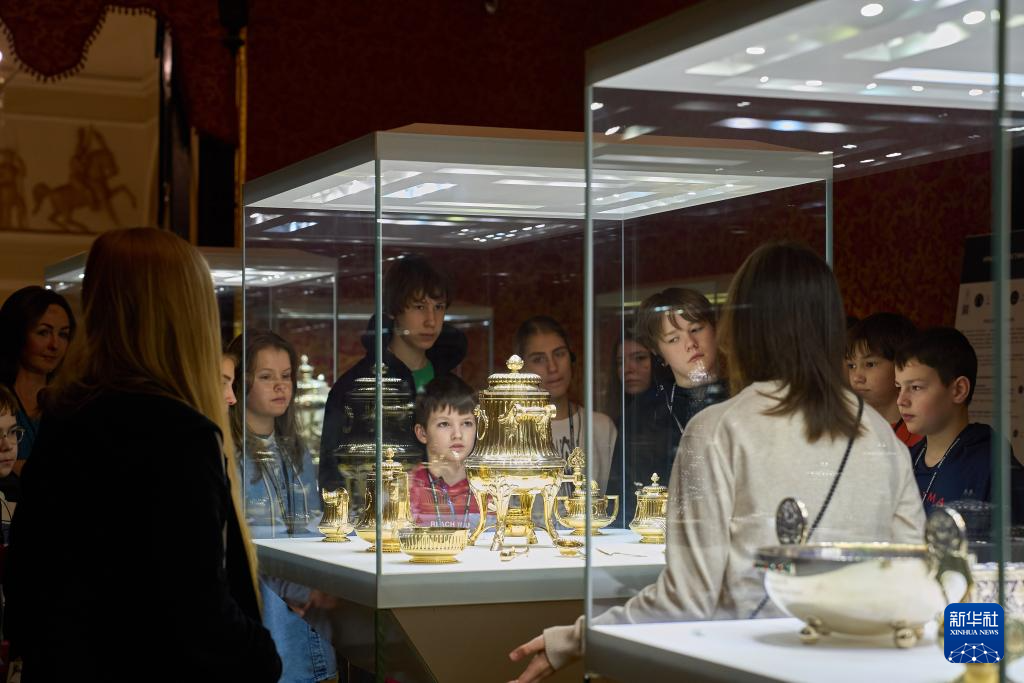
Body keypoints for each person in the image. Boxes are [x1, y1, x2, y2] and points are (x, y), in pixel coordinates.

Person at [507, 243, 925, 683]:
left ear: (741, 327)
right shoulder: (881, 436)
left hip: (753, 664)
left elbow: (686, 600)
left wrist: (576, 639)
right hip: (857, 667)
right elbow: (912, 581)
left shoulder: (717, 430)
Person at [5, 227, 280, 680]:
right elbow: (199, 611)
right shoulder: (179, 436)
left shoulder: (68, 416)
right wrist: (262, 655)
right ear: (187, 313)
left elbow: (29, 581)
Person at [227, 330, 337, 683]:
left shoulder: (296, 450)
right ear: (241, 383)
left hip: (307, 606)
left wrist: (313, 586)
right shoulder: (229, 451)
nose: (280, 386)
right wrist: (296, 591)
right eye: (266, 377)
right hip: (259, 606)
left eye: (286, 376)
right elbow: (242, 541)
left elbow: (309, 526)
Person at [320, 255, 466, 490]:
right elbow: (333, 475)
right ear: (392, 311)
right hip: (377, 508)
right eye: (419, 307)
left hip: (447, 507)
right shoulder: (355, 386)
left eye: (438, 307)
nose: (431, 321)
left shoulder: (451, 385)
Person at [607, 289, 728, 522]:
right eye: (674, 339)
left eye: (696, 329)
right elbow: (624, 503)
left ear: (715, 330)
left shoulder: (742, 397)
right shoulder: (644, 414)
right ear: (658, 352)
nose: (691, 344)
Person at [895, 327, 1008, 514]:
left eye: (915, 387)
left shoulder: (993, 468)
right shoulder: (906, 460)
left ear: (958, 390)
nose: (901, 400)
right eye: (899, 387)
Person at [515, 316, 616, 491]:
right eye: (539, 359)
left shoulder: (601, 427)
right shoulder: (509, 430)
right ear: (522, 369)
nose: (553, 367)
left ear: (571, 358)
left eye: (559, 354)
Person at [0, 286, 75, 471]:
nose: (55, 345)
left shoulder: (71, 402)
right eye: (43, 332)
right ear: (17, 333)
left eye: (63, 334)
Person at [409, 375, 482, 528]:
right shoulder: (407, 488)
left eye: (467, 423)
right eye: (444, 424)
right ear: (422, 433)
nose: (457, 434)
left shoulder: (489, 489)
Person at [847, 312, 921, 448]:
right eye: (851, 366)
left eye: (870, 364)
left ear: (903, 365)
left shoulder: (923, 436)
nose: (857, 377)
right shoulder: (844, 429)